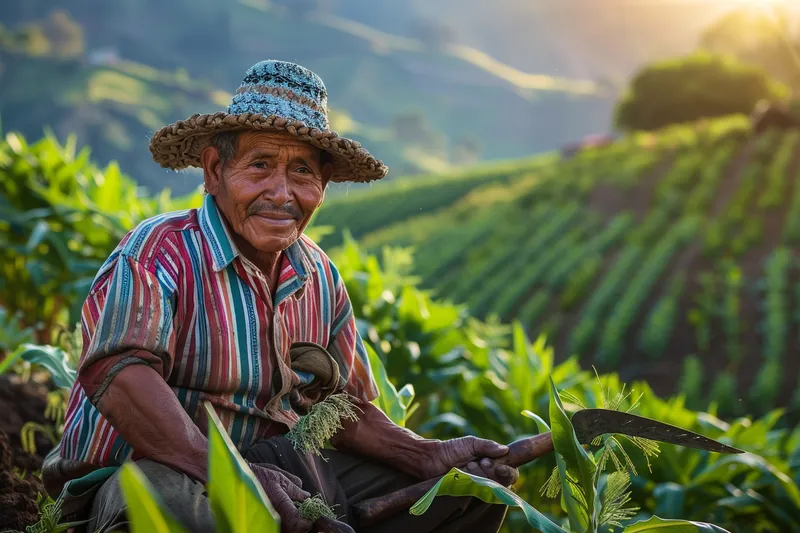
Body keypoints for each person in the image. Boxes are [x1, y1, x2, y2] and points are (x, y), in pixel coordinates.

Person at [41, 60, 518, 533]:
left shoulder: (320, 277)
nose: (281, 193)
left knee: (466, 497)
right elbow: (121, 375)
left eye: (302, 172)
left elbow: (340, 410)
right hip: (159, 467)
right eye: (261, 165)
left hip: (281, 469)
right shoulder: (159, 252)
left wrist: (425, 453)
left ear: (323, 186)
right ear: (214, 170)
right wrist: (237, 479)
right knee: (188, 512)